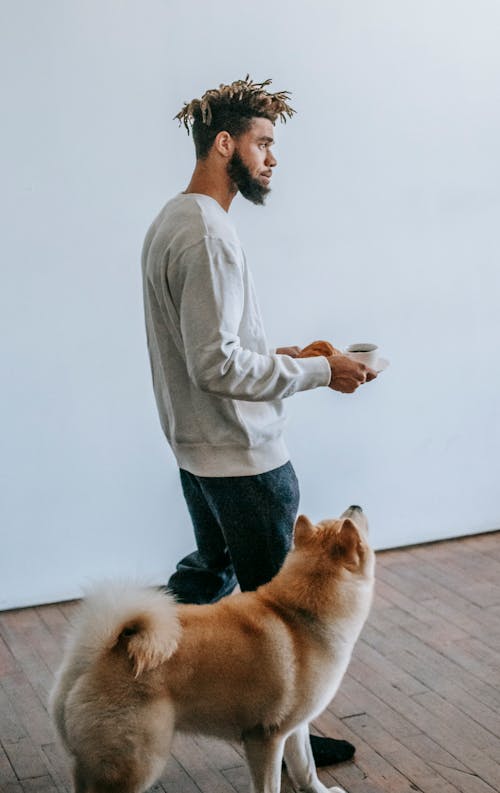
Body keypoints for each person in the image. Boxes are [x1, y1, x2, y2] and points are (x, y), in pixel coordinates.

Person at [141, 75, 377, 767]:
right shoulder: (209, 235)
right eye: (263, 143)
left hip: (199, 452)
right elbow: (216, 364)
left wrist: (289, 354)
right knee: (290, 622)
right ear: (225, 143)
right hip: (245, 462)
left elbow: (211, 353)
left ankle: (118, 663)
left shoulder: (172, 220)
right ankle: (295, 754)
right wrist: (319, 372)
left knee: (204, 577)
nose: (272, 158)